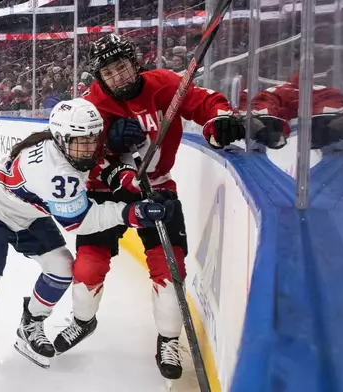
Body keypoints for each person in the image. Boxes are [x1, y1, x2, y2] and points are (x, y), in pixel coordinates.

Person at [0, 98, 178, 390]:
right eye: (82, 141)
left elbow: (94, 163)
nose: (90, 146)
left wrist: (119, 175)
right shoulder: (55, 174)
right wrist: (133, 213)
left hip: (27, 214)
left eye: (94, 137)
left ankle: (31, 322)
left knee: (62, 268)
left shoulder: (67, 146)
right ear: (62, 139)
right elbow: (81, 222)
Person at [52, 33, 248, 381]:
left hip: (156, 190)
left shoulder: (164, 85)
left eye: (123, 68)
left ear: (135, 64)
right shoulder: (90, 105)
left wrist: (219, 119)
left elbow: (204, 103)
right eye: (109, 73)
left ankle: (169, 339)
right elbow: (77, 156)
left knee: (170, 273)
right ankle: (83, 320)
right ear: (99, 77)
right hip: (106, 193)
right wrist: (109, 151)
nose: (118, 77)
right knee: (86, 272)